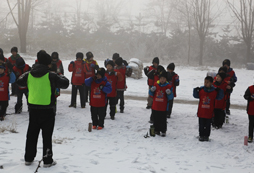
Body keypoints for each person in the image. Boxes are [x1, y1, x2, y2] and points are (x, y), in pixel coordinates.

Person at [16, 51, 69, 167]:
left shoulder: (29, 74)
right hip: (48, 109)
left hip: (33, 108)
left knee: (31, 135)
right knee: (47, 136)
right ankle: (47, 160)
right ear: (49, 64)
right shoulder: (51, 75)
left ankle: (28, 158)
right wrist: (59, 74)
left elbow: (19, 82)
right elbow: (65, 84)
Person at [193, 76, 224, 142]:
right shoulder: (201, 90)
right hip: (201, 112)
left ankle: (206, 136)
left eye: (207, 82)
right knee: (201, 125)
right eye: (205, 82)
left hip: (209, 112)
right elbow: (195, 96)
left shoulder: (214, 91)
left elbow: (220, 97)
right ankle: (201, 135)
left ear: (211, 83)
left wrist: (220, 91)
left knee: (208, 125)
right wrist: (195, 90)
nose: (205, 84)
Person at [149, 70, 174, 137]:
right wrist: (151, 90)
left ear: (166, 79)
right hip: (155, 106)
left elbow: (171, 97)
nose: (162, 80)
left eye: (163, 79)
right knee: (156, 119)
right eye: (161, 78)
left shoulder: (168, 86)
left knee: (162, 120)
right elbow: (151, 94)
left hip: (163, 107)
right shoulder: (156, 85)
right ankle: (156, 130)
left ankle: (163, 130)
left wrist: (169, 93)